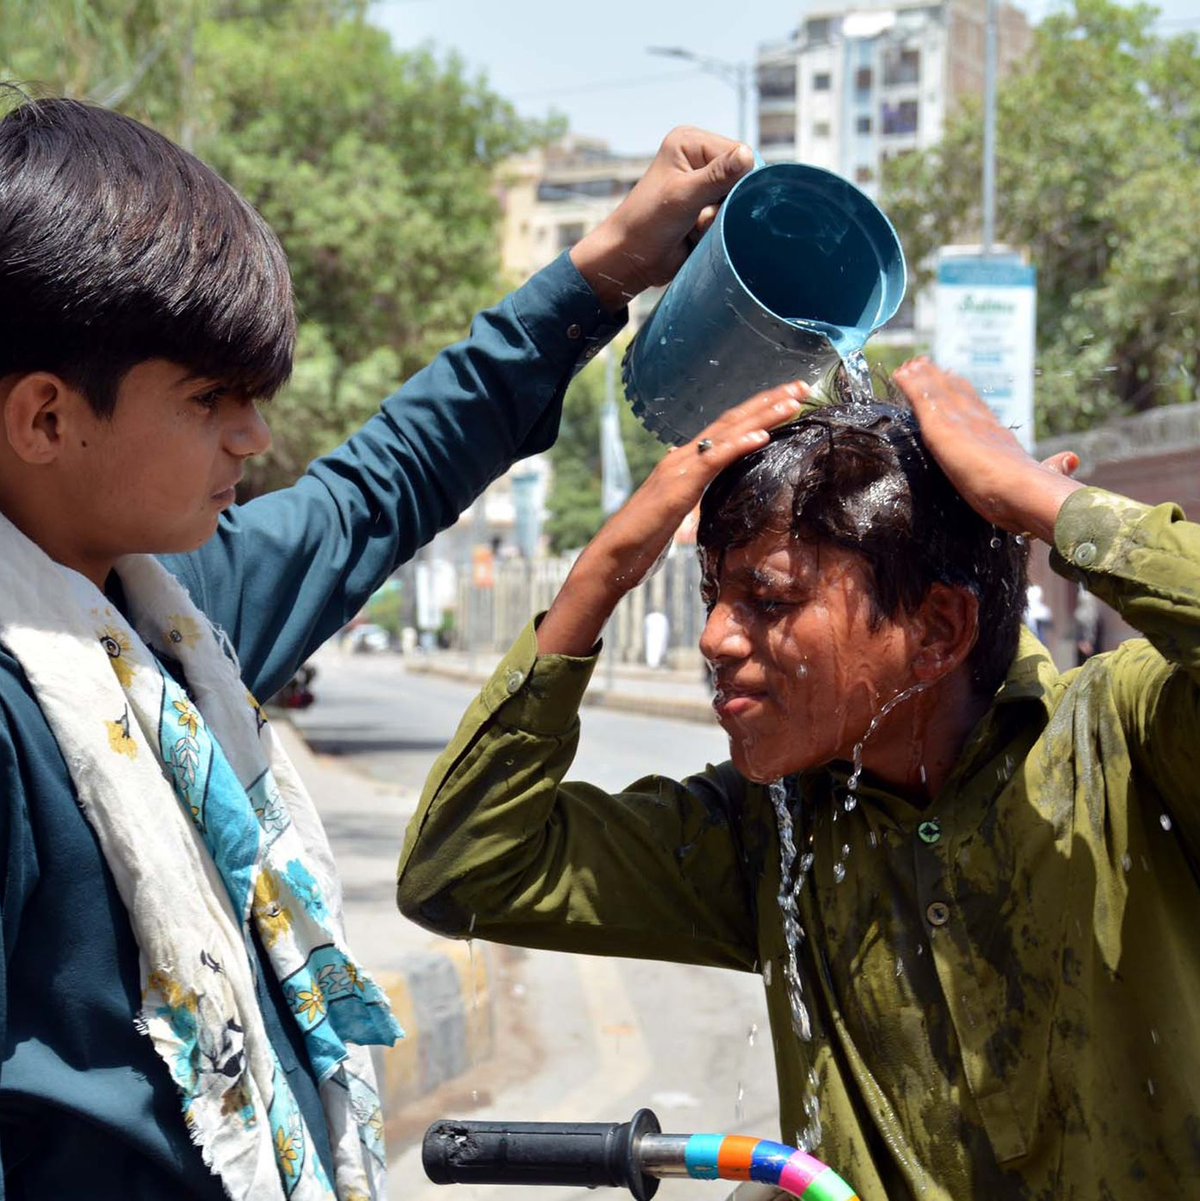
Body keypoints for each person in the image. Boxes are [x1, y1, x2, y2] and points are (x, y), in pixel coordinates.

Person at [0, 92, 754, 1200]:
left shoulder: (170, 616)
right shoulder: (21, 707)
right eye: (209, 399)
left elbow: (382, 484)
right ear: (47, 419)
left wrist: (602, 272)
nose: (253, 435)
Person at [397, 360, 1200, 1199]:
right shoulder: (772, 829)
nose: (714, 637)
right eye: (713, 594)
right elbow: (461, 873)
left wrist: (1042, 501)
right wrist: (607, 567)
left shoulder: (1129, 741)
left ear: (936, 628)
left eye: (768, 599)